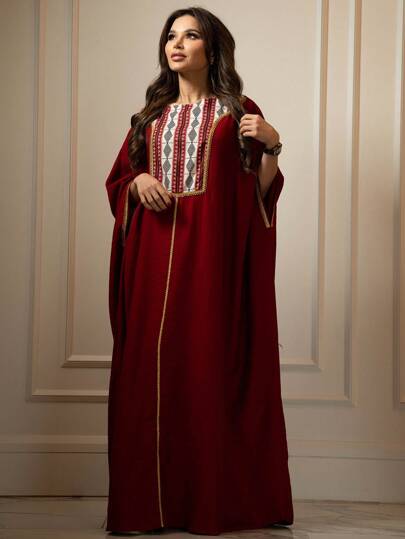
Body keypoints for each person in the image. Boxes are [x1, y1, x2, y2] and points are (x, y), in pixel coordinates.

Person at [104, 6, 293, 535]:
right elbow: (119, 181)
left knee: (206, 371)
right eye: (171, 35)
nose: (177, 43)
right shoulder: (148, 118)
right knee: (148, 373)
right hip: (151, 261)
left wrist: (273, 144)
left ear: (213, 49)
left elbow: (259, 195)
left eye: (190, 35)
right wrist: (137, 183)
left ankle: (208, 503)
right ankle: (146, 507)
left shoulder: (237, 112)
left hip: (211, 262)